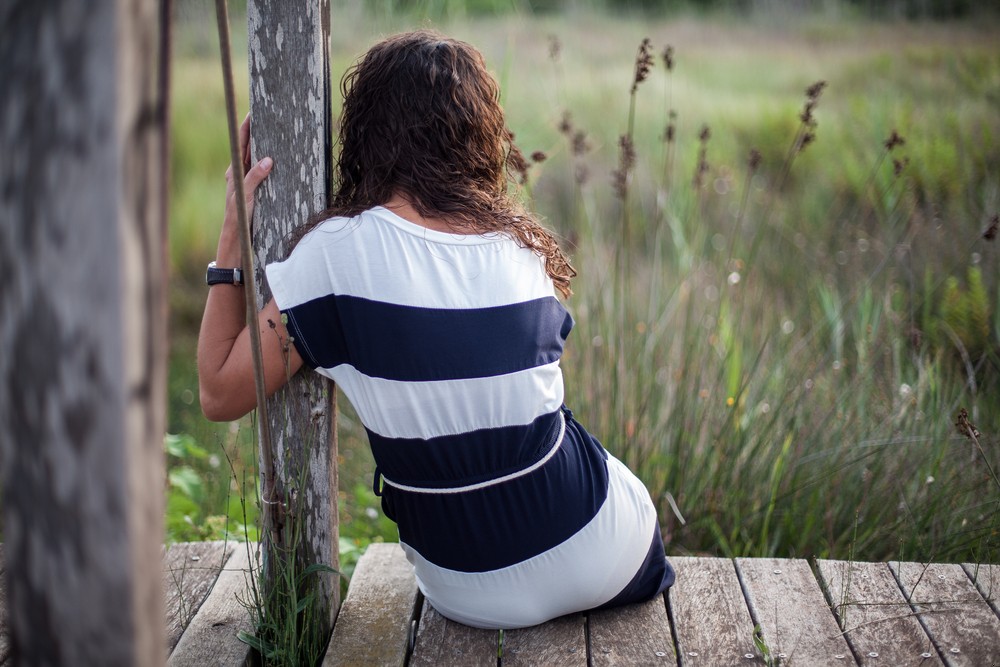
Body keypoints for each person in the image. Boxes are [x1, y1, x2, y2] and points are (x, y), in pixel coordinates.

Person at [198, 29, 674, 630]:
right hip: (602, 558)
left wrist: (230, 237)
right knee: (583, 452)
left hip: (466, 592)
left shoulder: (335, 256)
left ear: (365, 134)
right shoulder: (522, 251)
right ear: (478, 138)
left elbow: (218, 393)